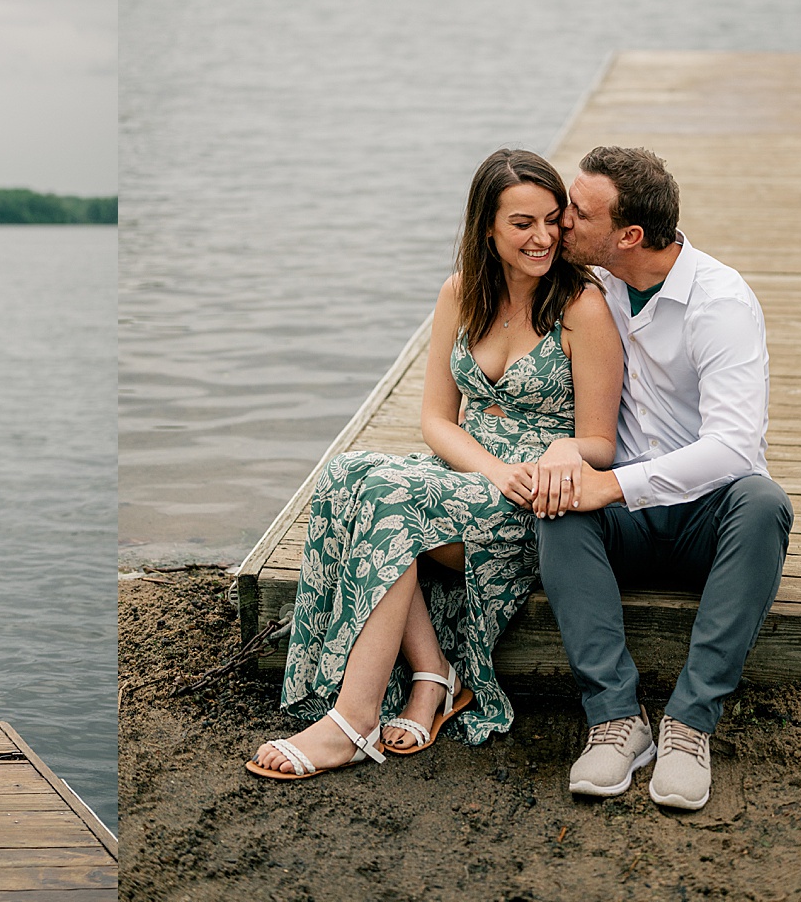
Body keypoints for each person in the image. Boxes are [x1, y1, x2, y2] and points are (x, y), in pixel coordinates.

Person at [249, 148, 624, 779]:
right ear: (487, 228)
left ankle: (353, 719)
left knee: (389, 501)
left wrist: (528, 470)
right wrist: (490, 470)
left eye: (553, 221)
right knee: (348, 474)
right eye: (522, 223)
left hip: (535, 500)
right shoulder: (460, 294)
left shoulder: (580, 306)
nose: (543, 238)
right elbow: (435, 421)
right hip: (474, 478)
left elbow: (600, 445)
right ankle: (434, 675)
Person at [540, 145, 792, 812]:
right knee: (560, 503)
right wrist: (570, 458)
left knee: (763, 501)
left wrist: (615, 485)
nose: (560, 220)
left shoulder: (721, 301)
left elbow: (735, 447)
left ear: (628, 236)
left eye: (576, 211)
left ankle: (689, 726)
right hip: (626, 523)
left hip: (707, 521)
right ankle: (617, 720)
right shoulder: (594, 286)